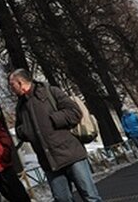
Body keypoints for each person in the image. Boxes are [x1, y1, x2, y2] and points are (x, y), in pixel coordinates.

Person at [9, 69, 103, 202]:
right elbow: (20, 129)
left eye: (12, 85)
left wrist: (53, 119)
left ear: (20, 82)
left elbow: (74, 112)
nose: (11, 89)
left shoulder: (50, 91)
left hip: (71, 154)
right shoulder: (21, 106)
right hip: (49, 162)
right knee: (62, 199)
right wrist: (27, 131)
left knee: (90, 196)